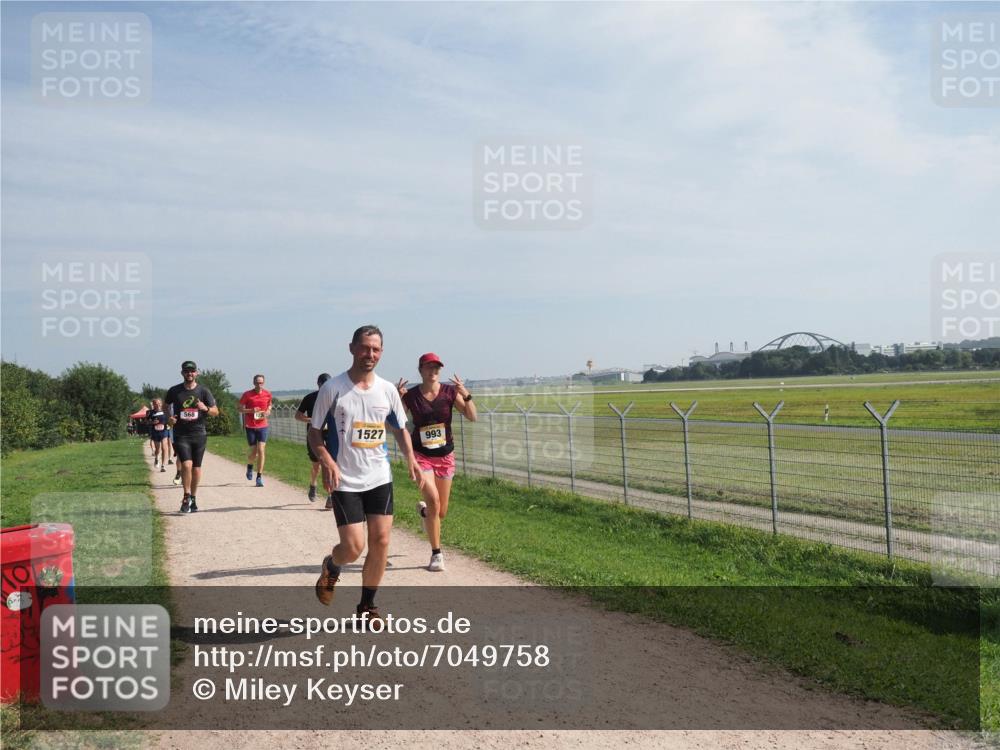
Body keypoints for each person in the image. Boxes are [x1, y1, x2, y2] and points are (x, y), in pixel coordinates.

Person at [308, 325, 424, 625]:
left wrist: (411, 457)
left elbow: (399, 428)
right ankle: (332, 566)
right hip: (345, 478)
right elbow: (314, 433)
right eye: (364, 347)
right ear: (351, 348)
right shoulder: (332, 389)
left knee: (382, 540)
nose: (369, 354)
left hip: (379, 476)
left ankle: (367, 607)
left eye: (375, 349)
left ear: (381, 352)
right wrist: (327, 460)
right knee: (353, 547)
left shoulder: (386, 390)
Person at [397, 353, 477, 572]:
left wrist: (466, 394)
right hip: (421, 455)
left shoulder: (450, 392)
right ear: (420, 370)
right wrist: (396, 398)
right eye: (428, 368)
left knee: (440, 512)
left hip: (445, 456)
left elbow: (472, 416)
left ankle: (425, 514)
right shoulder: (411, 396)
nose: (432, 372)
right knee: (433, 500)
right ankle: (436, 554)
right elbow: (396, 422)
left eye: (436, 368)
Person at [164, 361, 219, 513]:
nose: (190, 374)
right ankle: (186, 495)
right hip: (181, 434)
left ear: (197, 373)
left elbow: (216, 411)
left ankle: (193, 497)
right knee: (186, 465)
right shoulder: (174, 391)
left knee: (196, 469)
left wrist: (206, 408)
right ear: (182, 373)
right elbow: (165, 406)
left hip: (199, 433)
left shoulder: (203, 391)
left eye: (192, 371)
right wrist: (169, 418)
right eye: (187, 371)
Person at [295, 373, 334, 505]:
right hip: (314, 436)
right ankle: (313, 485)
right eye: (323, 385)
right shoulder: (310, 398)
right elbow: (298, 416)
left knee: (329, 464)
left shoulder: (335, 398)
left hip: (331, 435)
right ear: (318, 385)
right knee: (316, 466)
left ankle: (330, 496)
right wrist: (311, 420)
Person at [238, 374, 272, 487]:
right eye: (257, 382)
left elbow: (269, 405)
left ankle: (259, 477)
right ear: (253, 383)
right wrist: (250, 410)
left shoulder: (267, 394)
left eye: (261, 382)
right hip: (250, 426)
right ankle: (249, 466)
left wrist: (268, 411)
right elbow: (239, 408)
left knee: (261, 450)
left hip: (263, 425)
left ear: (264, 383)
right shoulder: (247, 394)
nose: (259, 384)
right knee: (253, 452)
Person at [146, 399, 170, 472]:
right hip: (155, 432)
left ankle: (163, 466)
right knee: (158, 449)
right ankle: (156, 458)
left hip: (164, 431)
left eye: (159, 403)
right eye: (156, 403)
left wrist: (170, 423)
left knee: (164, 448)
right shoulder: (150, 412)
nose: (158, 405)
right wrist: (152, 422)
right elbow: (147, 422)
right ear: (153, 404)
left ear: (161, 403)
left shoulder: (165, 411)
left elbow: (169, 420)